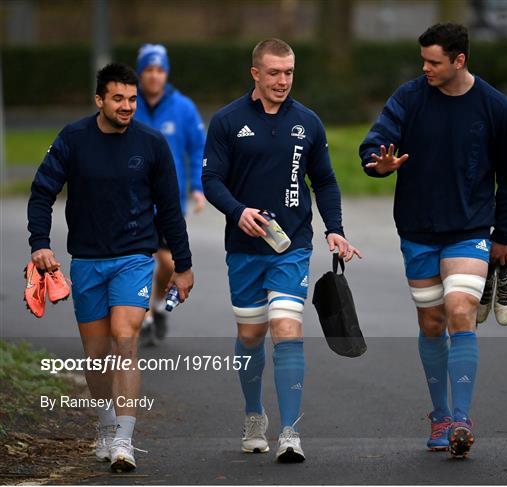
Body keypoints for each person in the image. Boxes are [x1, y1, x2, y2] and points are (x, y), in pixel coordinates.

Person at [359, 23, 507, 458]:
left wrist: (501, 236)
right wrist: (381, 164)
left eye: (434, 61)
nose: (425, 68)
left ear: (459, 60)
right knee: (432, 323)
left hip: (470, 230)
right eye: (423, 61)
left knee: (460, 309)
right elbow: (372, 146)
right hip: (417, 230)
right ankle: (441, 414)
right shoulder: (409, 98)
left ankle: (463, 421)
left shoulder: (493, 107)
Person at [27, 63, 194, 472]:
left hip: (135, 257)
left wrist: (183, 266)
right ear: (99, 100)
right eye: (118, 98)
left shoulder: (152, 144)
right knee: (96, 355)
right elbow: (41, 193)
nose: (127, 106)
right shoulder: (73, 139)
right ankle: (105, 425)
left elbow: (171, 209)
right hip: (86, 261)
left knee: (125, 340)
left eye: (133, 99)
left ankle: (124, 439)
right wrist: (40, 246)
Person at [202, 38, 361, 463]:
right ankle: (255, 416)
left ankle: (291, 432)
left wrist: (335, 230)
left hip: (293, 247)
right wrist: (238, 212)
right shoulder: (227, 121)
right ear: (255, 73)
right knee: (251, 335)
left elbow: (324, 181)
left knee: (287, 328)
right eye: (274, 72)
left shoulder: (308, 122)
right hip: (243, 248)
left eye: (289, 72)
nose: (282, 81)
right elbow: (212, 180)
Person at [134, 44, 206, 344]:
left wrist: (198, 188)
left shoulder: (183, 107)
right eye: (148, 70)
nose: (154, 76)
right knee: (138, 261)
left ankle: (158, 307)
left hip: (168, 200)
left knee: (168, 263)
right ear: (140, 73)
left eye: (159, 70)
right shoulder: (128, 103)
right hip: (133, 198)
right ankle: (145, 317)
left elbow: (197, 148)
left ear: (166, 73)